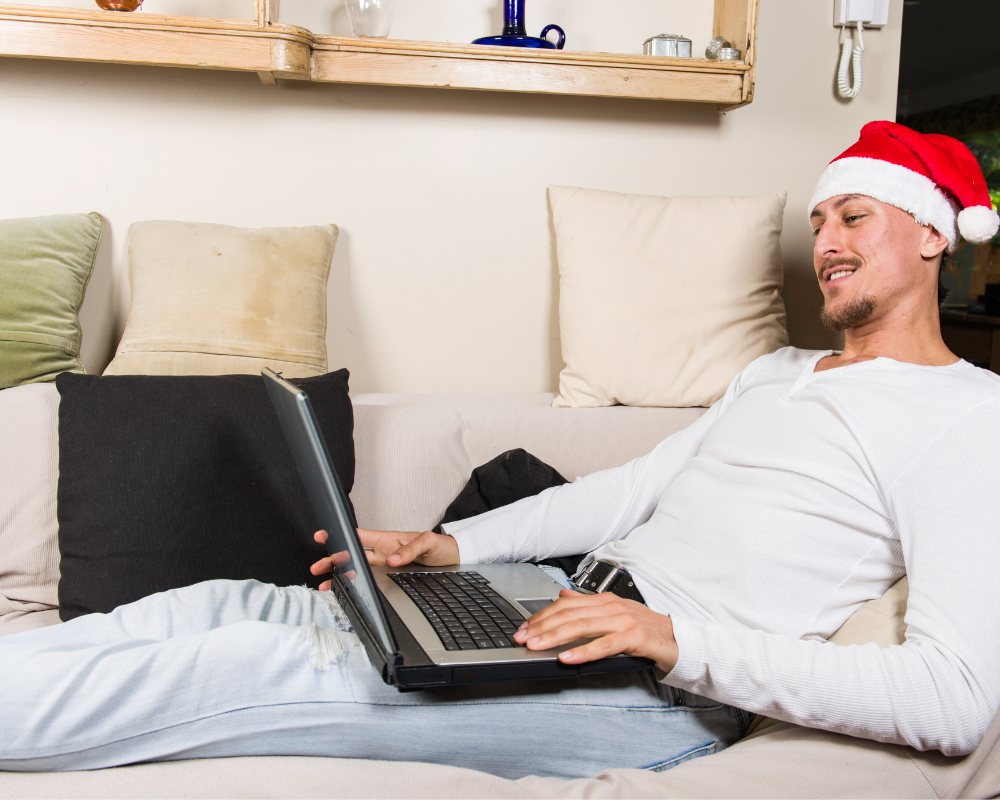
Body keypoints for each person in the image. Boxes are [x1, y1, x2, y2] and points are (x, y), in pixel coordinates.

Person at [2, 121, 998, 778]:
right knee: (223, 602)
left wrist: (672, 641)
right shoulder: (776, 371)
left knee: (232, 662)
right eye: (819, 217)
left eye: (851, 215)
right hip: (549, 611)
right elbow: (628, 487)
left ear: (933, 233)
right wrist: (453, 550)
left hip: (646, 697)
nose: (824, 238)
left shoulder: (964, 416)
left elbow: (952, 698)